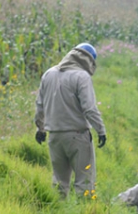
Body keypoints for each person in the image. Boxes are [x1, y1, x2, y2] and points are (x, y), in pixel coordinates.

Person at [34, 42, 107, 198]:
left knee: (59, 182)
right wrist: (101, 130)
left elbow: (40, 105)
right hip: (78, 136)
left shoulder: (49, 74)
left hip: (54, 135)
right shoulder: (82, 76)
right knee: (84, 182)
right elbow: (89, 108)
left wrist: (40, 129)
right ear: (89, 61)